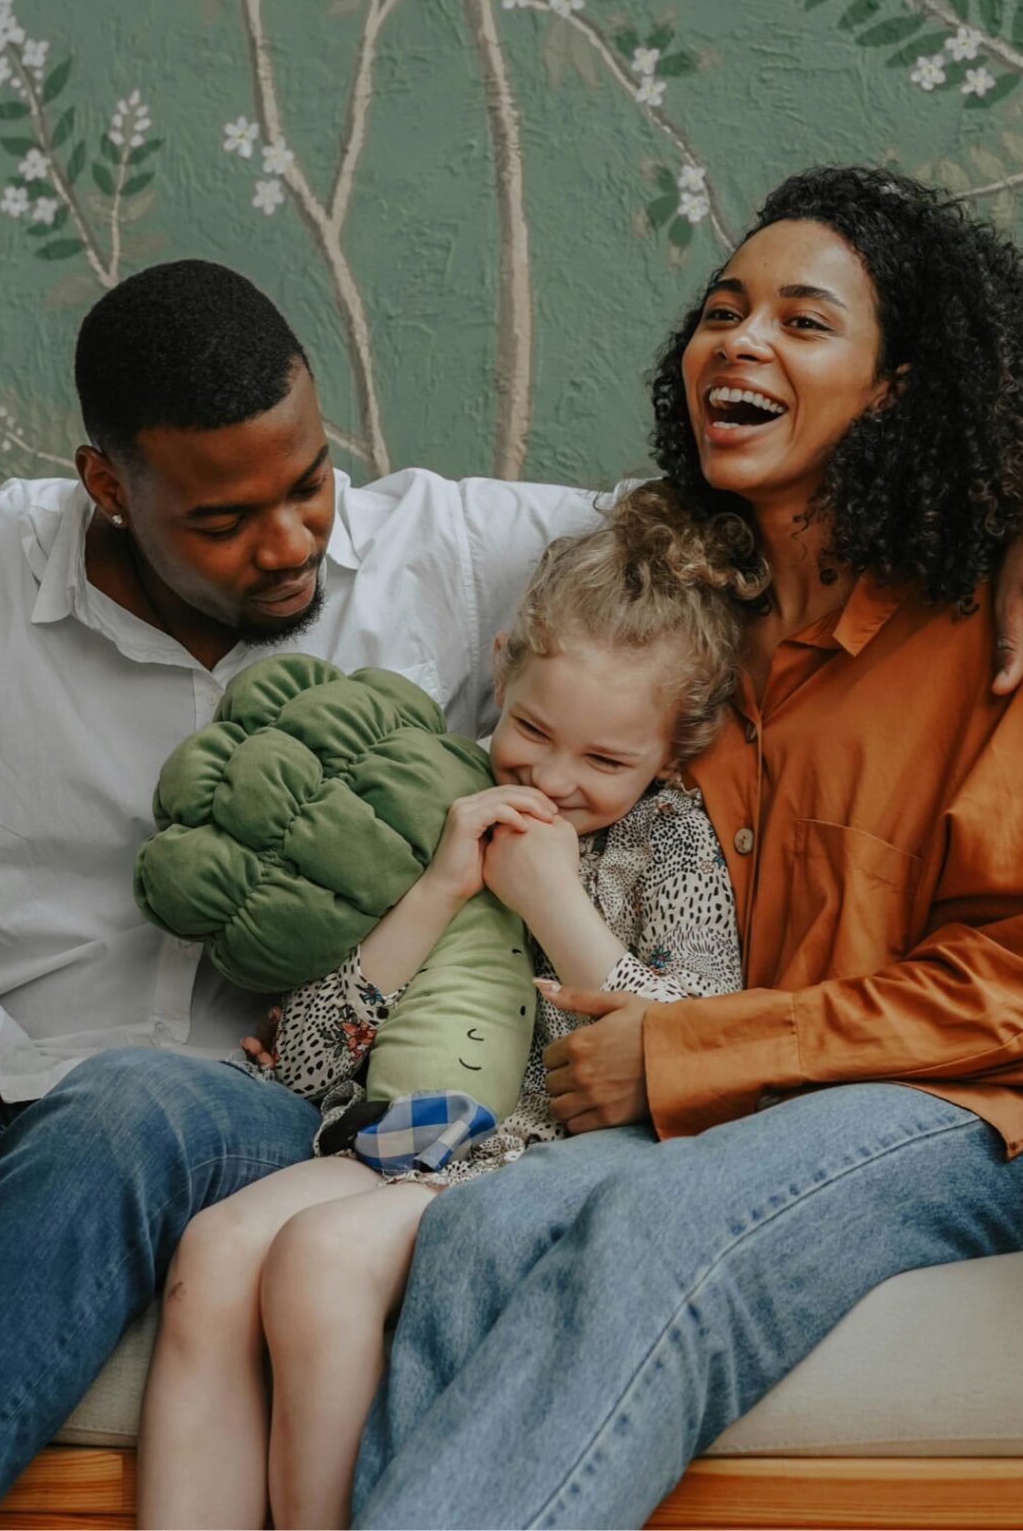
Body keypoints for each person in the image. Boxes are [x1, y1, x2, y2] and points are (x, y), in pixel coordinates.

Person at [0, 252, 1023, 1527]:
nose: (293, 540)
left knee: (127, 1103)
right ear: (105, 484)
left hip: (259, 1105)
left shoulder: (452, 550)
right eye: (225, 518)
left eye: (310, 481)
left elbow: (752, 520)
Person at [348, 166, 1023, 1529]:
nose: (741, 341)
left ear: (893, 389)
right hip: (718, 1114)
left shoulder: (991, 629)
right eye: (722, 312)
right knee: (474, 1232)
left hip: (953, 1118)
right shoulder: (683, 625)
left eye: (802, 321)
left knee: (657, 1228)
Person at [137, 483, 758, 1528]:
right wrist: (435, 888)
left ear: (673, 749)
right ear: (503, 669)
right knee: (214, 1252)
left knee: (318, 1261)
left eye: (606, 760)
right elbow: (302, 1068)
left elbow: (701, 1049)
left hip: (551, 1158)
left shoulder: (668, 837)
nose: (552, 777)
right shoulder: (433, 802)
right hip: (399, 1134)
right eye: (533, 729)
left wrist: (555, 902)